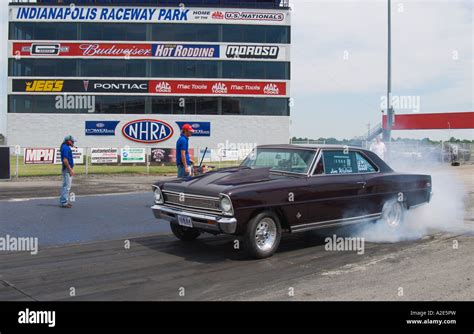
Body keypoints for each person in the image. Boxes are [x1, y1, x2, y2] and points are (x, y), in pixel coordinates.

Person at [59, 135, 75, 208]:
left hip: (67, 169)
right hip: (67, 169)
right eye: (72, 141)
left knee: (66, 186)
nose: (73, 142)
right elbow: (65, 160)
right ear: (68, 141)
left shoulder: (66, 147)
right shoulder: (65, 148)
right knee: (67, 186)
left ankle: (64, 201)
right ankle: (64, 202)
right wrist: (70, 169)